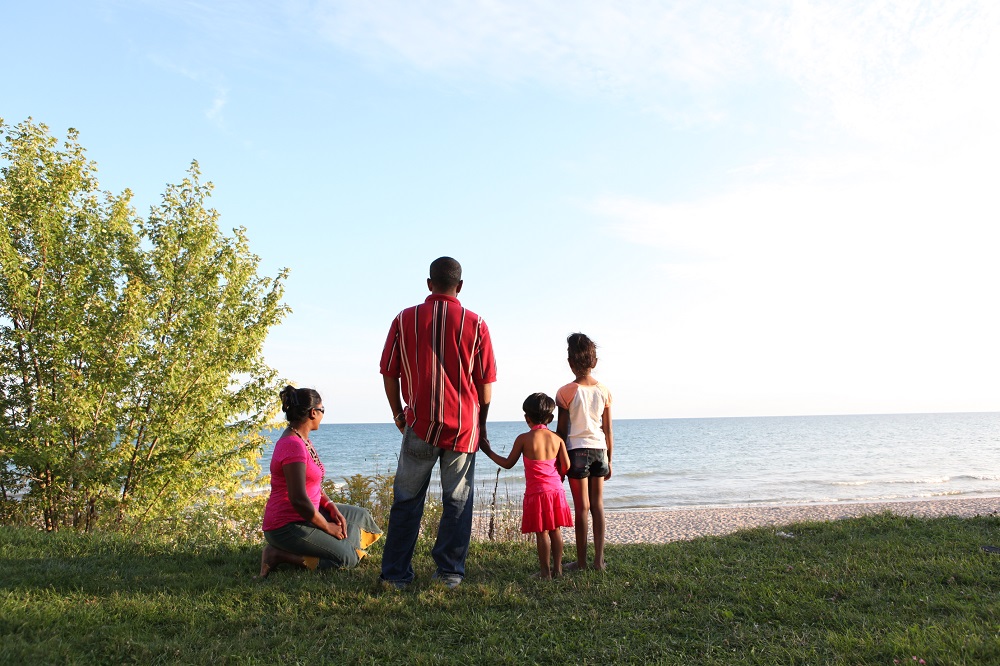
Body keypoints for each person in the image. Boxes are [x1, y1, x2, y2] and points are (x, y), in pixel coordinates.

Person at [379, 257, 497, 589]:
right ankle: (449, 573)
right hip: (462, 427)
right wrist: (482, 424)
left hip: (419, 424)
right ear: (459, 287)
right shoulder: (476, 324)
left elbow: (389, 371)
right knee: (457, 501)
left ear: (429, 283)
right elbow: (485, 384)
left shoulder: (405, 319)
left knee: (406, 500)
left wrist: (397, 413)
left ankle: (395, 575)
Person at [258, 386, 382, 578]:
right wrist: (327, 526)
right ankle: (277, 554)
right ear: (313, 413)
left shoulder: (302, 440)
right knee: (347, 559)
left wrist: (330, 506)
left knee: (361, 516)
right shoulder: (292, 445)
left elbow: (312, 485)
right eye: (323, 410)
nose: (323, 415)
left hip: (309, 511)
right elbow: (298, 499)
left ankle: (341, 545)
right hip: (287, 525)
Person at [480, 393, 573, 579]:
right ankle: (559, 570)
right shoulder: (557, 439)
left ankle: (545, 573)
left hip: (537, 493)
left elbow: (508, 463)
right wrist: (557, 476)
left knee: (542, 533)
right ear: (551, 418)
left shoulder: (523, 439)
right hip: (556, 491)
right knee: (556, 530)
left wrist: (488, 451)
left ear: (526, 417)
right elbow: (567, 466)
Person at [556, 333, 613, 571]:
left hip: (576, 452)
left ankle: (581, 562)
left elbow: (560, 432)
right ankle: (598, 561)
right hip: (600, 449)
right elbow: (608, 429)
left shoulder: (565, 392)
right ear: (595, 362)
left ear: (570, 363)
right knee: (597, 506)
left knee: (582, 507)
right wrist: (610, 459)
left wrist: (558, 463)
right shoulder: (604, 391)